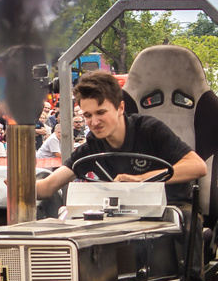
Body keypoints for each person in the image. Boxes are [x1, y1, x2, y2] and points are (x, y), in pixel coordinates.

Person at [36, 72, 205, 203]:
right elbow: (48, 186)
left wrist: (141, 179)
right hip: (121, 217)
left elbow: (197, 166)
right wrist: (18, 187)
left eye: (101, 112)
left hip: (172, 212)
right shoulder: (92, 147)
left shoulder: (150, 130)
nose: (94, 122)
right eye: (87, 115)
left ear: (120, 108)